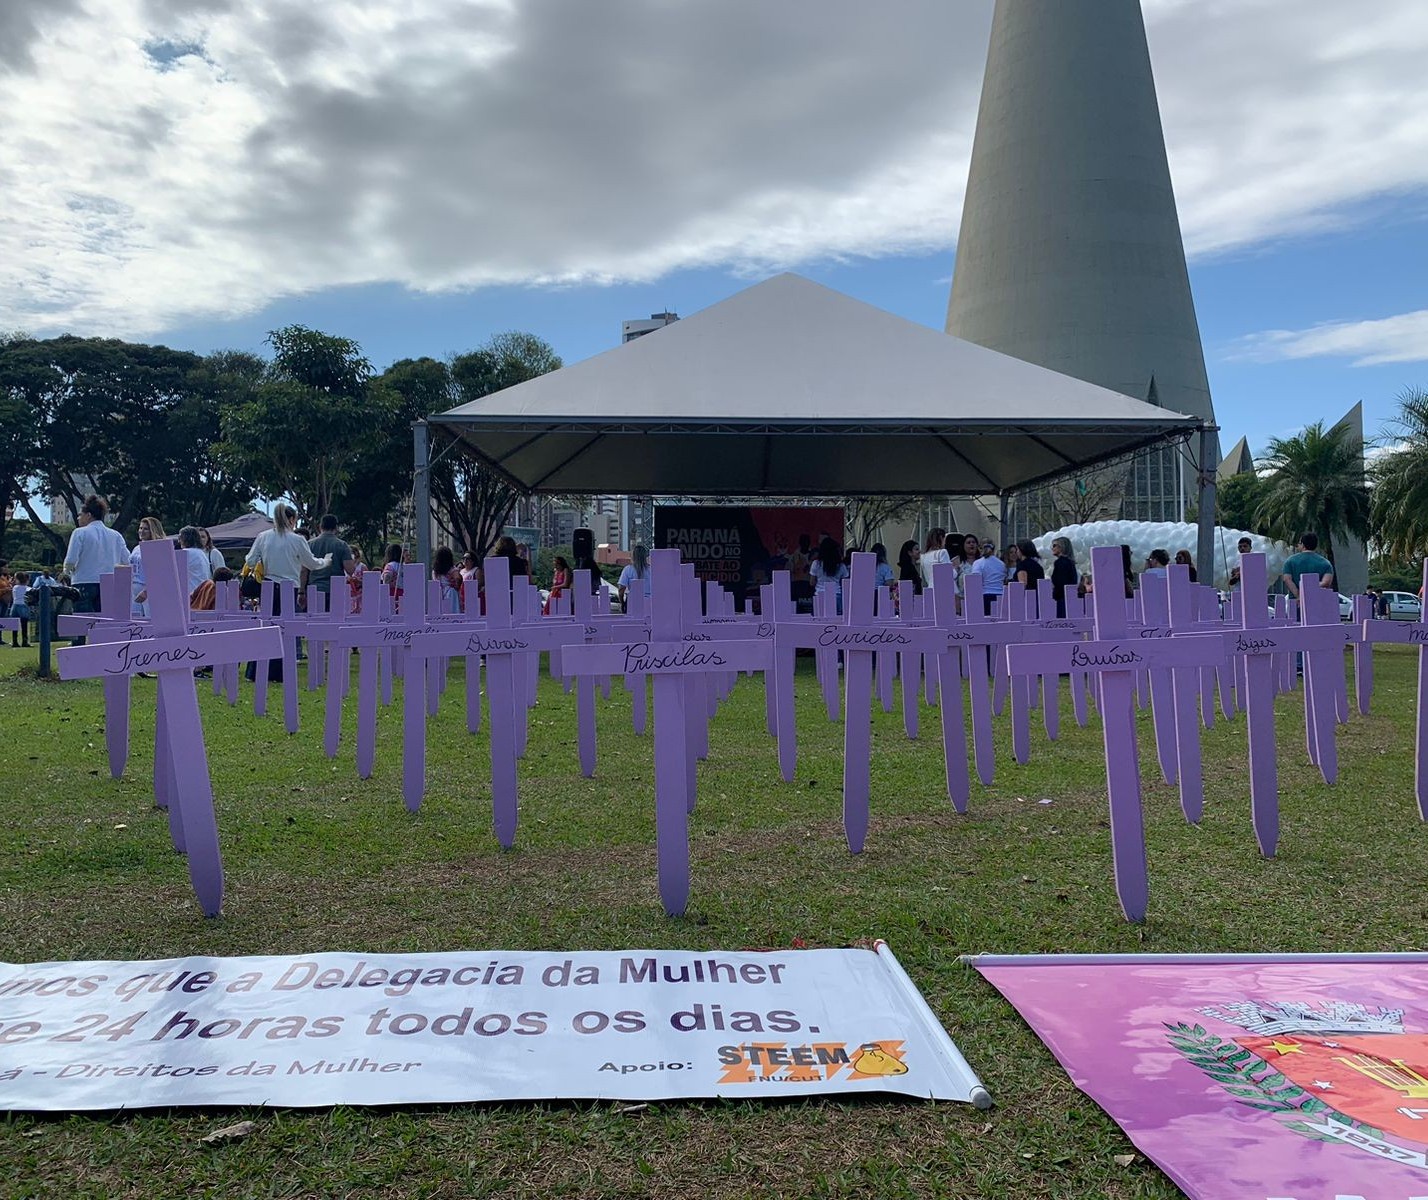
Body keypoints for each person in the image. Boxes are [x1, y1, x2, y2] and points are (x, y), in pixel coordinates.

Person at [243, 505, 331, 680]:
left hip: (268, 585)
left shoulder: (263, 537)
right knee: (285, 629)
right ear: (292, 520)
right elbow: (311, 563)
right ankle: (279, 671)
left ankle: (256, 671)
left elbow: (250, 560)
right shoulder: (297, 540)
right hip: (288, 587)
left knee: (266, 627)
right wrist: (326, 561)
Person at [64, 495, 124, 616]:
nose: (78, 517)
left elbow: (71, 560)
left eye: (80, 514)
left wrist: (66, 572)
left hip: (83, 582)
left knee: (82, 624)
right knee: (105, 623)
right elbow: (126, 560)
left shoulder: (79, 532)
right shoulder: (116, 535)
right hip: (109, 583)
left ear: (89, 515)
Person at [304, 514, 354, 608]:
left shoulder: (309, 545)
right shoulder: (342, 545)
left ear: (320, 526)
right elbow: (350, 570)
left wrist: (301, 592)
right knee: (336, 620)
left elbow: (304, 570)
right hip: (336, 590)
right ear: (336, 527)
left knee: (314, 620)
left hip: (314, 589)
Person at [130, 516, 166, 616]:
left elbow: (159, 573)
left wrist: (146, 592)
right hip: (134, 589)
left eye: (146, 529)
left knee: (150, 621)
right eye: (141, 528)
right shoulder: (137, 548)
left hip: (149, 591)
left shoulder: (158, 548)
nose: (142, 531)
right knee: (136, 620)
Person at [1280, 532, 1335, 598]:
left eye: (1299, 543)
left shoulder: (1290, 561)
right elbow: (1326, 582)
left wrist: (1298, 595)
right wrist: (1311, 589)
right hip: (1318, 601)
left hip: (1295, 603)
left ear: (1303, 545)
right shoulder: (1326, 563)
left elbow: (1287, 579)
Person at [809, 536, 849, 614]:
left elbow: (812, 583)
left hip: (819, 595)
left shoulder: (816, 564)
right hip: (836, 594)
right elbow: (846, 583)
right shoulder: (841, 565)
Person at [971, 537, 1007, 615]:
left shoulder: (978, 563)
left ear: (980, 548)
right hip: (1001, 595)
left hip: (985, 595)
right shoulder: (1001, 564)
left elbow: (976, 582)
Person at [1049, 536, 1078, 618]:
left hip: (1061, 598)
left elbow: (1060, 582)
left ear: (1062, 547)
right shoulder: (1070, 563)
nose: (1052, 548)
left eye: (1054, 545)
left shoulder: (1060, 563)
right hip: (1070, 598)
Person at [617, 545, 651, 611]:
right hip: (650, 601)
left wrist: (622, 603)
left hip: (633, 602)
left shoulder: (628, 569)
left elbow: (621, 589)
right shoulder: (652, 570)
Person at [431, 546, 463, 613]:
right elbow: (458, 579)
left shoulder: (435, 571)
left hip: (439, 593)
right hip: (450, 592)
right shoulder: (452, 569)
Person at [380, 543, 405, 612]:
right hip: (403, 593)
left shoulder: (390, 565)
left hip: (392, 593)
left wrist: (385, 586)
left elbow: (387, 576)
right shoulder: (404, 566)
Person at [8, 572, 30, 647]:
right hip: (23, 605)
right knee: (24, 625)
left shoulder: (15, 587)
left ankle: (14, 641)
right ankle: (24, 641)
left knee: (14, 625)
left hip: (15, 605)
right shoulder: (27, 588)